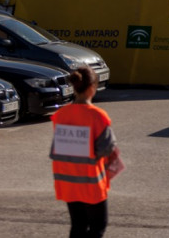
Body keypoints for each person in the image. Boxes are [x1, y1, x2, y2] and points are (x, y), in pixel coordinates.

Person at [50, 66, 118, 238]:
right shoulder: (98, 116)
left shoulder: (60, 115)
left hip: (68, 182)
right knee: (98, 227)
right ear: (92, 88)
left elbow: (58, 148)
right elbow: (106, 148)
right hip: (91, 184)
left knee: (78, 226)